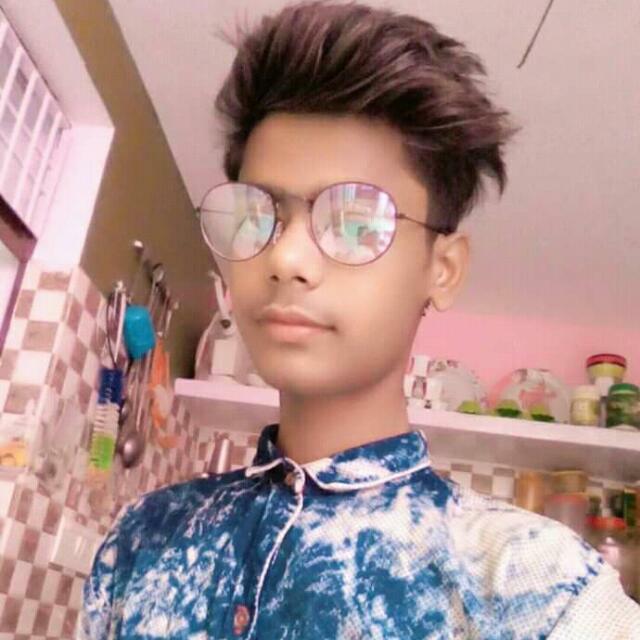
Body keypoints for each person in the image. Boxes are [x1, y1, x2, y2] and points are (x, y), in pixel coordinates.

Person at [80, 1, 640, 638]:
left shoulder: (531, 586)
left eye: (355, 221)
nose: (286, 258)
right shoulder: (144, 538)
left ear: (443, 269)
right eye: (260, 213)